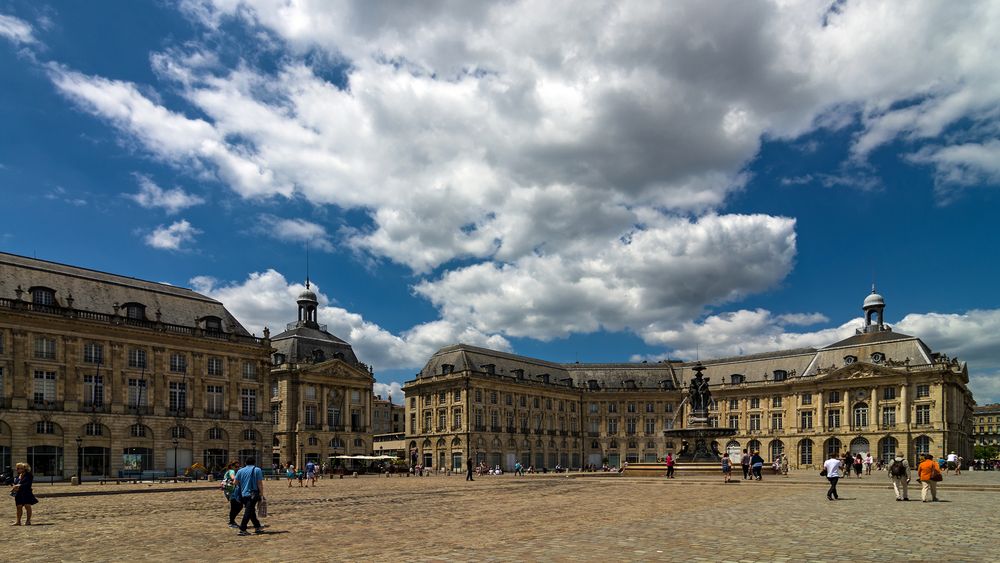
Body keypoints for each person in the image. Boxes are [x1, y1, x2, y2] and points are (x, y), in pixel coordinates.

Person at [232, 457, 265, 536]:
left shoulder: (240, 471)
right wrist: (261, 494)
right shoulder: (257, 470)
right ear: (254, 462)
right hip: (253, 494)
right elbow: (259, 483)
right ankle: (242, 529)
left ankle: (257, 526)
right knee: (248, 511)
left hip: (243, 494)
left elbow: (235, 482)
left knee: (251, 510)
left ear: (245, 463)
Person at [223, 461, 243, 528]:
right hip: (232, 492)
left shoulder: (228, 471)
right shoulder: (231, 471)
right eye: (236, 467)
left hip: (229, 491)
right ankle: (231, 522)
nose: (237, 468)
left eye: (238, 467)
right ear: (232, 466)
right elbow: (233, 478)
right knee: (238, 506)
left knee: (235, 507)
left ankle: (232, 521)